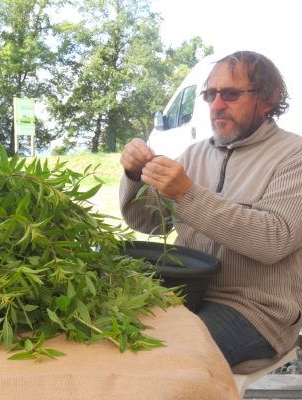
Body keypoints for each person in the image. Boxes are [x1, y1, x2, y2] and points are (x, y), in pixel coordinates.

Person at [119, 50, 302, 367]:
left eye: (231, 94)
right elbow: (148, 221)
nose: (217, 105)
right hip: (184, 292)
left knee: (158, 360)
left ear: (269, 98)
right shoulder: (193, 154)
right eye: (210, 95)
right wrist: (134, 176)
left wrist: (187, 194)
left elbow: (273, 240)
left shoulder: (293, 156)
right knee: (108, 335)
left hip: (254, 310)